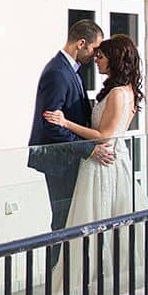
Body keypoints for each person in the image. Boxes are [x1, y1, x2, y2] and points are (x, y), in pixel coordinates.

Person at [43, 34, 148, 295]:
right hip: (108, 160)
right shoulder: (124, 90)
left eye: (101, 57)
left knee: (96, 219)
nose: (97, 61)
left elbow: (104, 135)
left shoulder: (118, 93)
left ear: (114, 59)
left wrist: (65, 123)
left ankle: (96, 283)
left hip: (103, 163)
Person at [27, 20, 114, 239]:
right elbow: (51, 125)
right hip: (60, 161)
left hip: (70, 159)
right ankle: (58, 262)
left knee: (73, 220)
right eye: (94, 49)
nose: (96, 55)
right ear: (81, 43)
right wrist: (89, 150)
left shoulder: (70, 70)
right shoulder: (57, 72)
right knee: (63, 222)